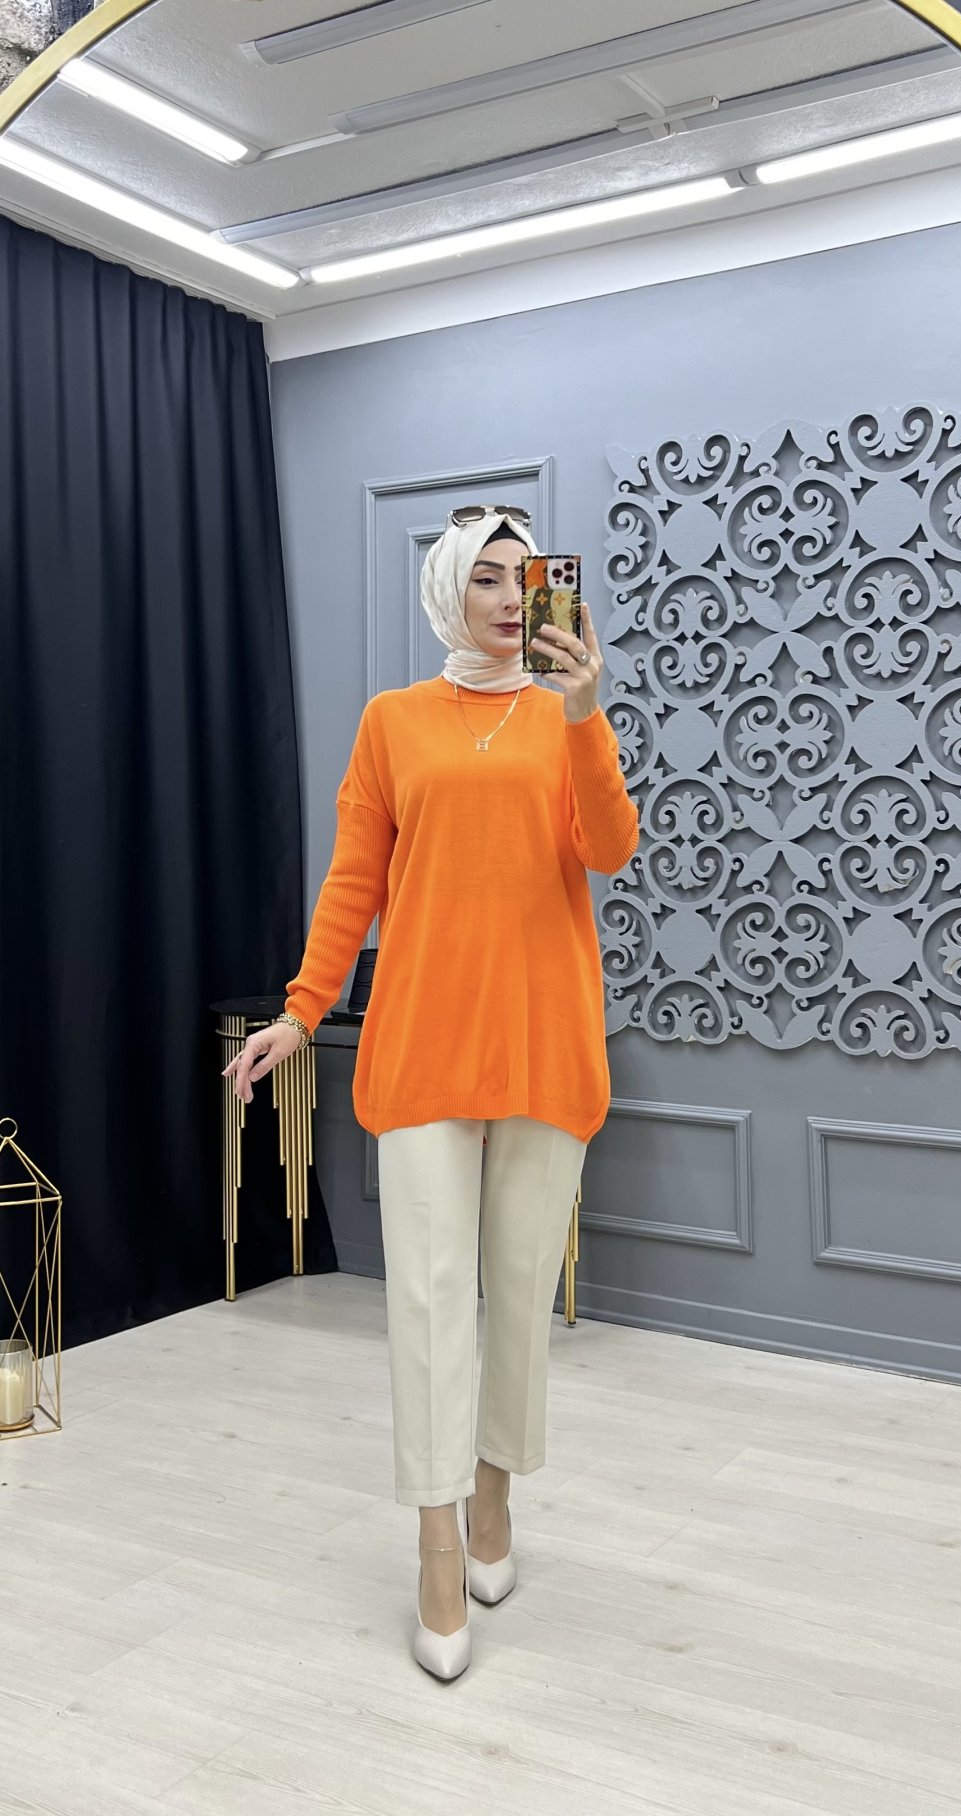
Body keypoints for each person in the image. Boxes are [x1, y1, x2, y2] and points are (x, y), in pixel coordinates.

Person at [223, 505, 639, 1681]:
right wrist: (302, 1008)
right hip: (421, 1047)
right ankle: (436, 1542)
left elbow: (608, 848)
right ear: (448, 590)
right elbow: (353, 877)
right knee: (425, 1304)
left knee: (518, 1291)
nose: (510, 598)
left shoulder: (562, 716)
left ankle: (495, 1494)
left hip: (544, 1046)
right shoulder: (392, 722)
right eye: (487, 578)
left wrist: (585, 710)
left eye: (525, 578)